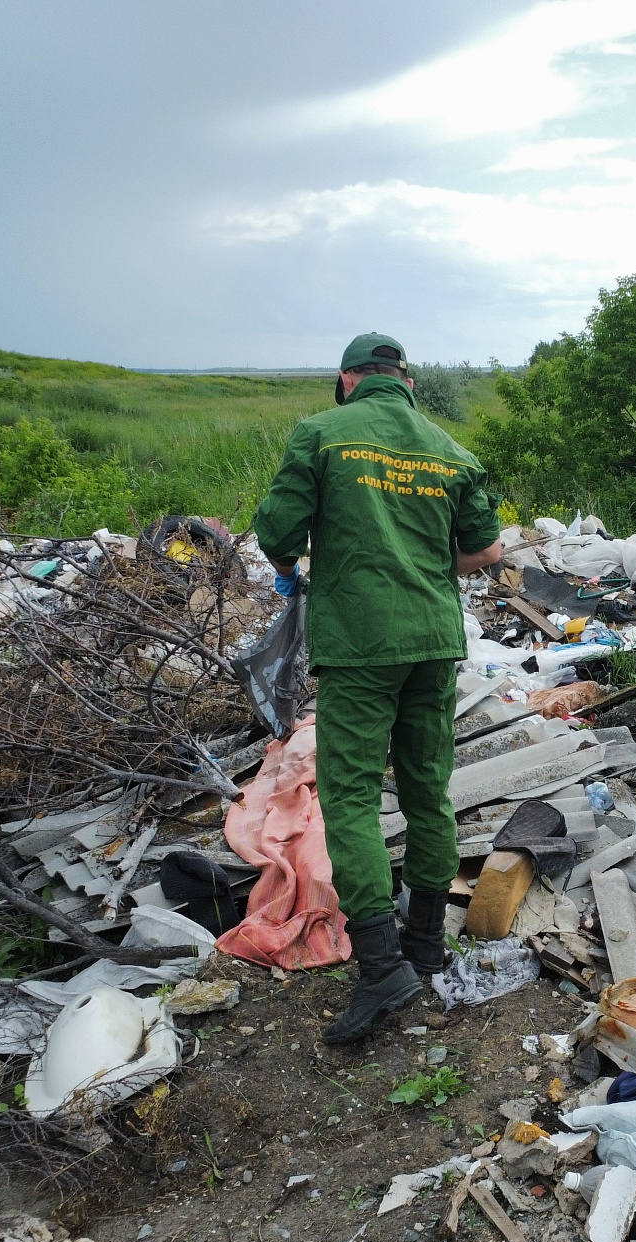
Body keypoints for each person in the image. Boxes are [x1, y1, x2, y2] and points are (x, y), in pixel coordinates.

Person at [253, 333, 504, 1043]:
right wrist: (424, 558)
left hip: (362, 643)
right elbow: (486, 549)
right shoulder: (451, 451)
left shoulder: (322, 434)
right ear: (409, 383)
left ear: (347, 379)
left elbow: (278, 531)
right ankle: (425, 944)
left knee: (352, 797)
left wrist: (291, 568)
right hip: (434, 639)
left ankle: (382, 968)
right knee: (427, 788)